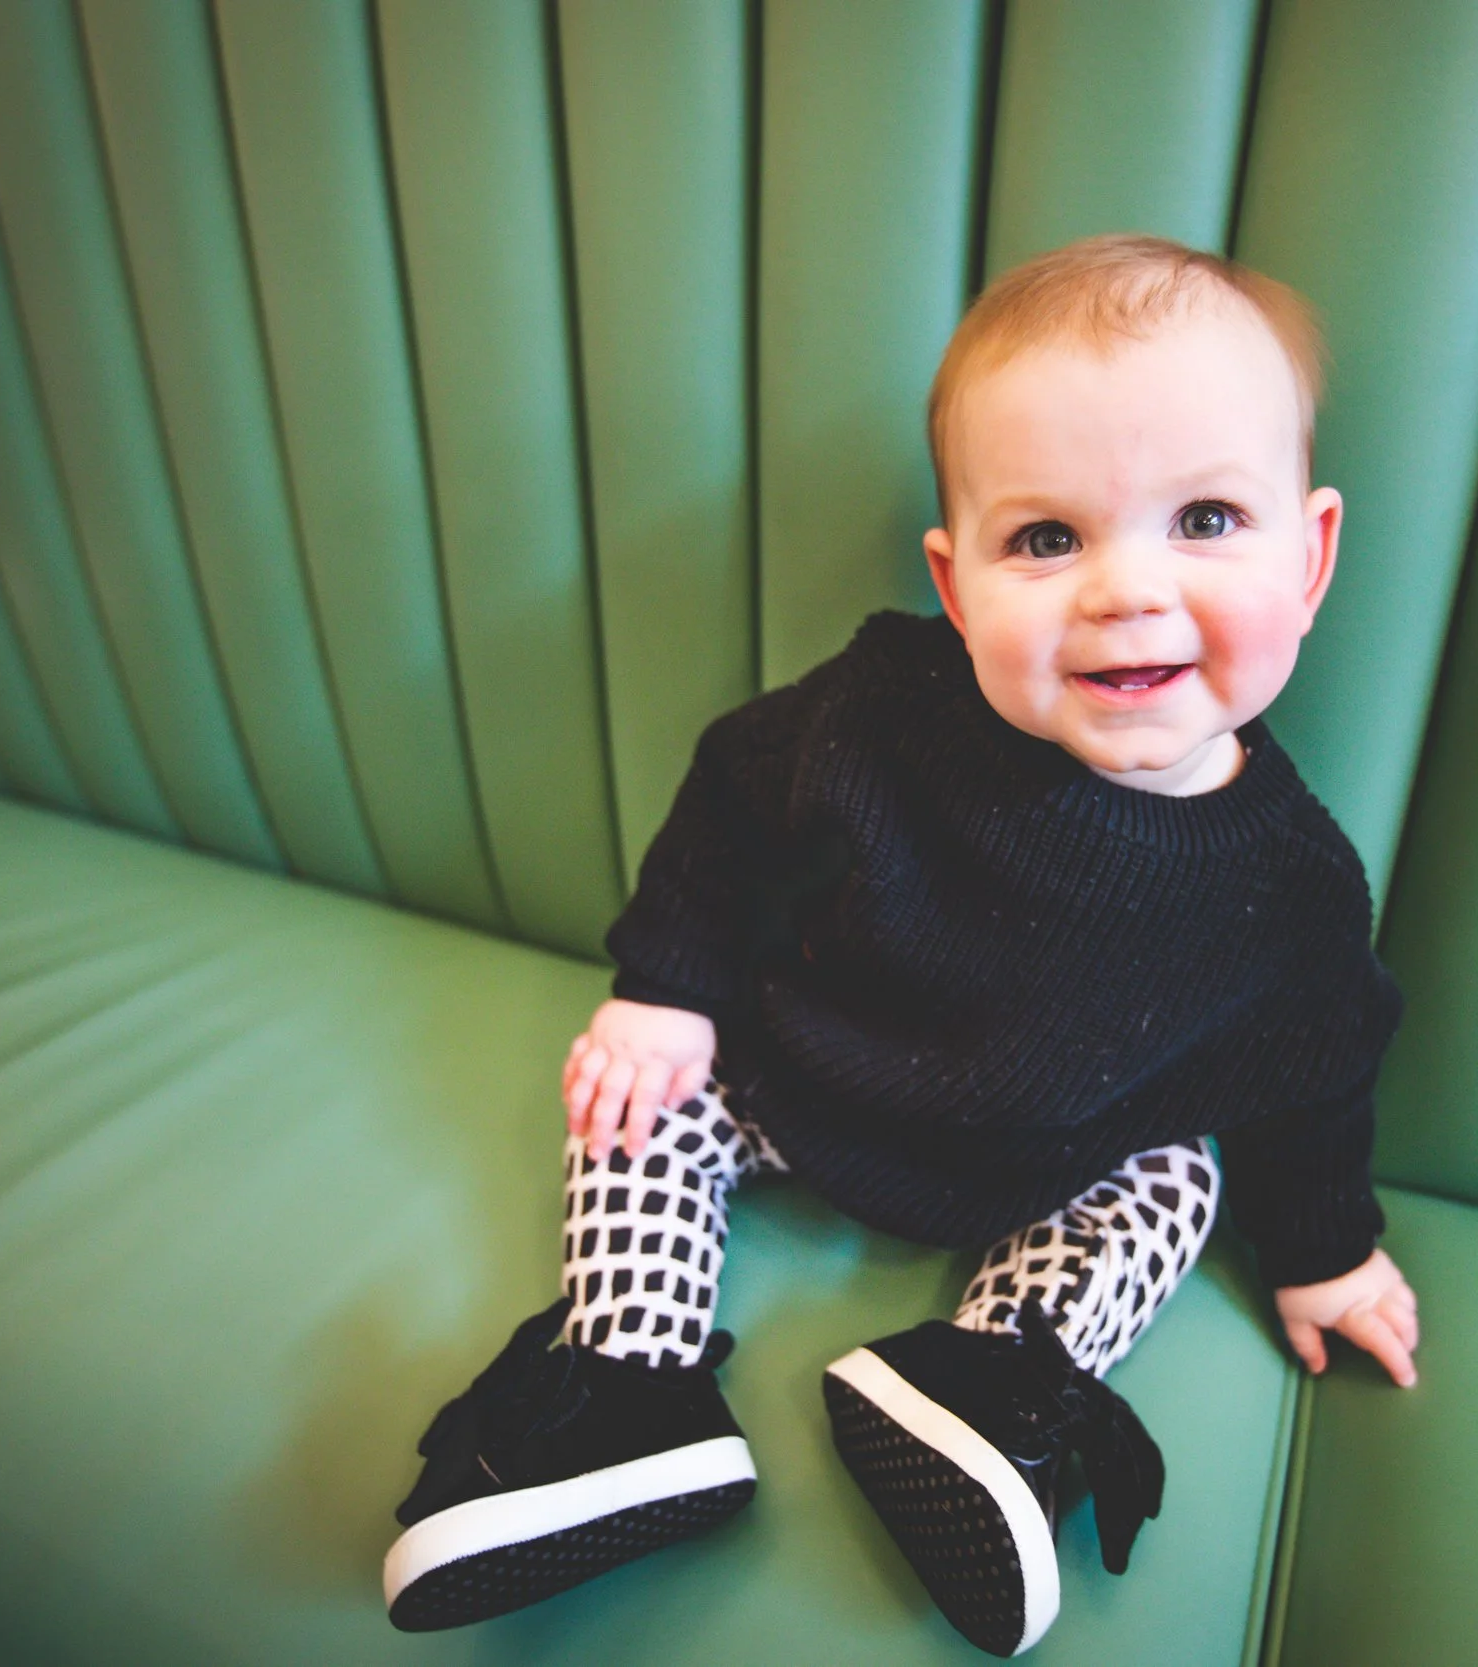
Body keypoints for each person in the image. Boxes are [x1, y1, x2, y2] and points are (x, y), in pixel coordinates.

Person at [382, 234, 1419, 1656]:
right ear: (956, 579)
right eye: (1047, 539)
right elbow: (733, 806)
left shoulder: (1292, 890)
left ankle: (987, 1382)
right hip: (789, 1085)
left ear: (1310, 557)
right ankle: (632, 1381)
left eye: (1206, 521)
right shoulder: (881, 715)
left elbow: (1317, 1080)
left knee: (1179, 1172)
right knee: (631, 1097)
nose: (1125, 588)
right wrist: (665, 995)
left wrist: (1328, 1250)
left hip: (1055, 1164)